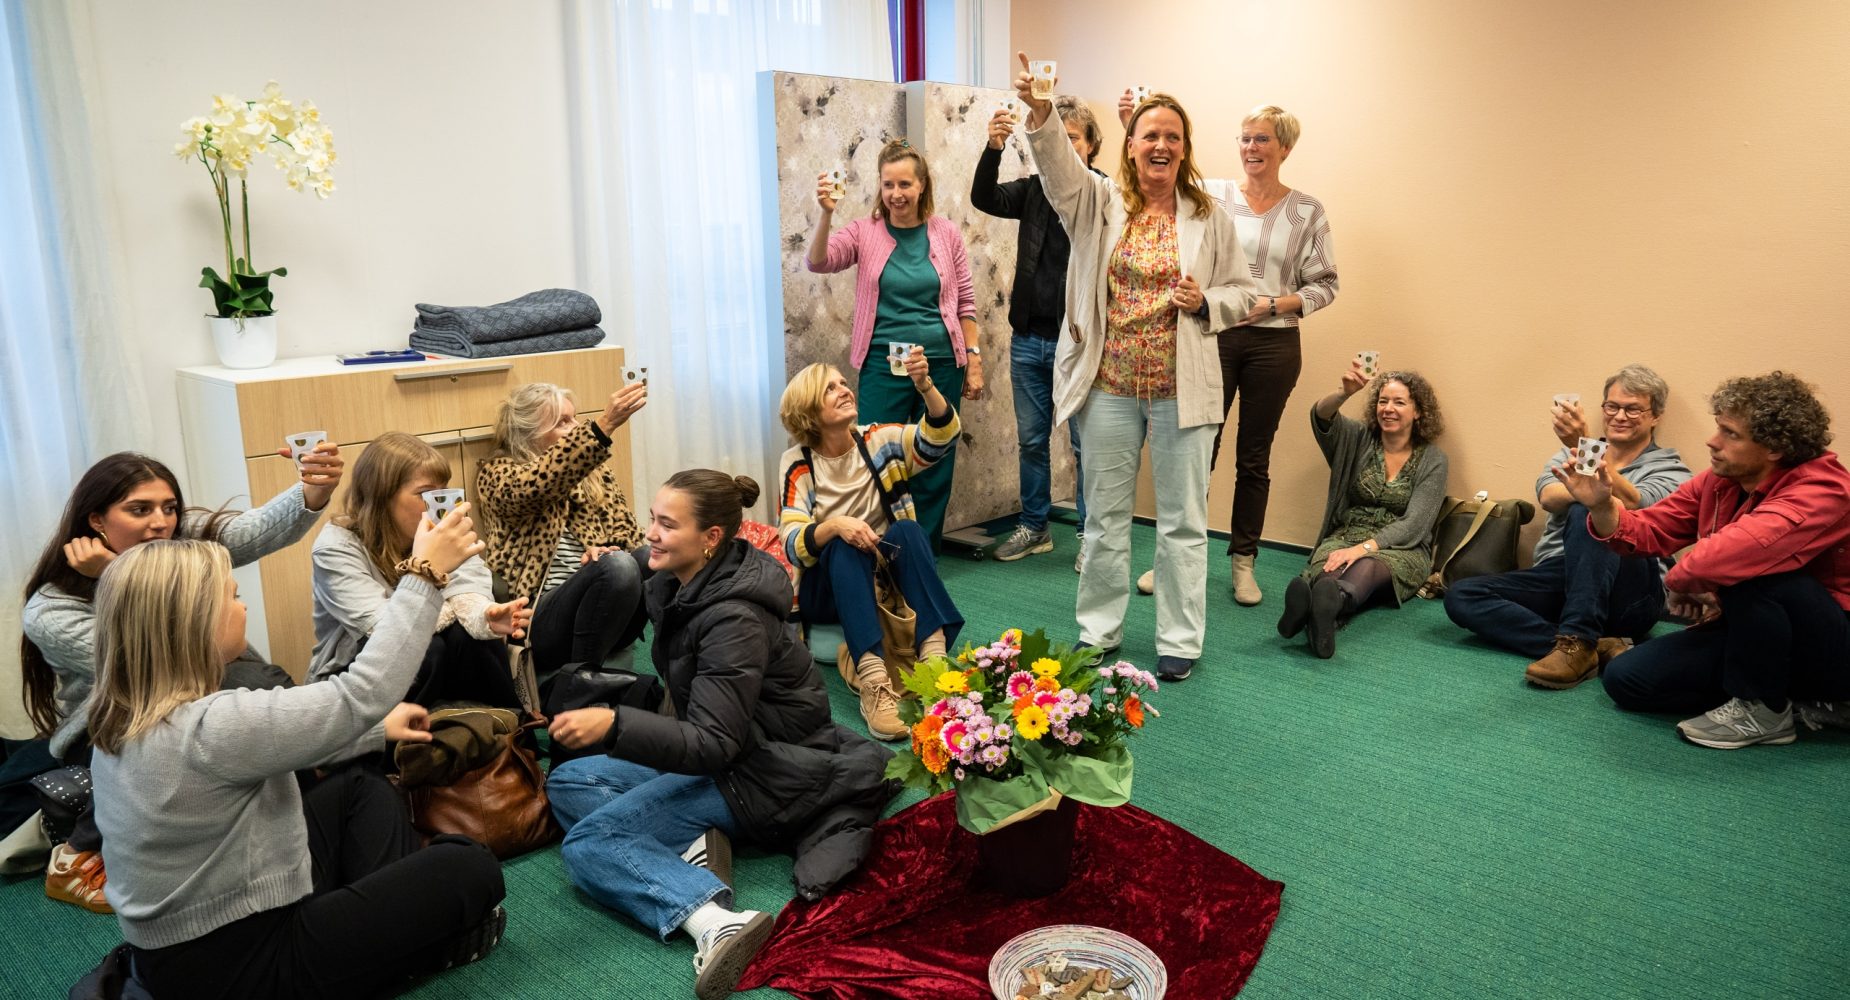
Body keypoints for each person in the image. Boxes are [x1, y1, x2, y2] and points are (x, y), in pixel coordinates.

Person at [86, 518, 507, 999]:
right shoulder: (211, 727)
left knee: (357, 791)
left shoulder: (122, 720)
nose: (242, 604)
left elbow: (283, 740)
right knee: (469, 864)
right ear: (193, 624)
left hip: (175, 957)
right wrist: (424, 573)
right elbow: (362, 692)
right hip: (242, 965)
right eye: (232, 595)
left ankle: (392, 936)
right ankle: (406, 945)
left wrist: (373, 731)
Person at [547, 471, 896, 1000]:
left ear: (711, 538)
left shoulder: (733, 616)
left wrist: (616, 725)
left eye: (667, 525)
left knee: (591, 843)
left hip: (766, 774)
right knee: (571, 779)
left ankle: (713, 920)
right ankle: (693, 846)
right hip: (735, 753)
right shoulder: (682, 582)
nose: (652, 534)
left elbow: (713, 743)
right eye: (653, 520)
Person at [1014, 53, 1256, 681]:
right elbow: (1058, 170)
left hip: (1183, 392)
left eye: (1173, 137)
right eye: (1151, 134)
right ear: (1130, 144)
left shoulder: (1210, 217)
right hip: (1110, 388)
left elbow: (1243, 292)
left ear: (1185, 149)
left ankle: (1179, 639)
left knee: (1183, 523)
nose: (1162, 144)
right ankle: (1099, 631)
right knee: (1104, 520)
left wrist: (1206, 299)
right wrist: (1040, 110)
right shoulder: (1096, 200)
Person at [20, 447, 342, 910]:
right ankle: (73, 858)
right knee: (255, 687)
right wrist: (118, 575)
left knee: (257, 689)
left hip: (205, 693)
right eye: (139, 509)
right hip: (112, 724)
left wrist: (313, 490)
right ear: (95, 520)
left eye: (169, 507)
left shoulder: (174, 542)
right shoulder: (50, 611)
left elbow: (252, 531)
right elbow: (158, 663)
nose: (161, 522)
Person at [1553, 372, 1850, 749]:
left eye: (1730, 433)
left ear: (1774, 447)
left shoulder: (1824, 488)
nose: (1713, 441)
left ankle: (1767, 709)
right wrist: (1600, 505)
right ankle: (1797, 697)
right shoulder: (1719, 480)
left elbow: (1739, 552)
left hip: (1831, 638)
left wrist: (1686, 580)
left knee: (1758, 575)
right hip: (1755, 631)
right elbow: (1650, 529)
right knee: (1627, 679)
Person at [1126, 102, 1339, 605]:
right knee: (1197, 450)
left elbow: (1325, 285)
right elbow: (1152, 189)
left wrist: (1272, 304)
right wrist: (1126, 126)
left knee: (1254, 458)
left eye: (1261, 139)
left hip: (1275, 343)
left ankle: (1243, 563)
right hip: (1211, 335)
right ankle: (1172, 558)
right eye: (1245, 139)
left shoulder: (1308, 210)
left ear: (1284, 147)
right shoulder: (1213, 196)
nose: (1250, 148)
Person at [1445, 365, 1691, 688]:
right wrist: (1586, 459)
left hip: (1632, 592)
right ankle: (1593, 648)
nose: (1619, 416)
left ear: (1655, 416)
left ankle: (1577, 636)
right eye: (1612, 407)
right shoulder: (1568, 452)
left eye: (1633, 409)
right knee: (1462, 595)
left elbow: (1635, 503)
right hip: (1565, 578)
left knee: (1591, 508)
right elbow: (1548, 496)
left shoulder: (1671, 469)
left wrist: (1590, 469)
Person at [806, 138, 984, 547]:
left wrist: (973, 359)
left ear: (922, 186)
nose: (896, 194)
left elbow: (967, 303)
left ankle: (923, 552)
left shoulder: (946, 233)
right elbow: (818, 261)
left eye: (905, 185)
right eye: (888, 185)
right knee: (877, 455)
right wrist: (825, 214)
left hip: (940, 361)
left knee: (937, 456)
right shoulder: (864, 232)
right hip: (882, 365)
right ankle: (883, 548)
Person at [776, 360, 965, 739]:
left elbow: (940, 439)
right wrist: (835, 526)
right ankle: (874, 684)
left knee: (909, 531)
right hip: (828, 588)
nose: (845, 390)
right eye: (831, 388)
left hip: (887, 577)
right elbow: (793, 546)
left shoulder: (879, 439)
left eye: (844, 383)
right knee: (843, 548)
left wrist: (925, 386)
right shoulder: (798, 463)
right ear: (809, 409)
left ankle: (935, 667)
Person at [971, 95, 1104, 567]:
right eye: (1056, 142)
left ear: (1091, 147)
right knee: (1032, 441)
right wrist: (992, 148)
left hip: (1083, 344)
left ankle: (1092, 534)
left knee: (1086, 446)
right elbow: (983, 198)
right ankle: (1035, 526)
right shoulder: (1032, 190)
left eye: (1072, 142)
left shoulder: (1101, 194)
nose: (1063, 152)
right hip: (1028, 339)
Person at [309, 432, 531, 708]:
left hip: (423, 650)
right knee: (428, 648)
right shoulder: (334, 548)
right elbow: (386, 629)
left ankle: (508, 734)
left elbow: (467, 588)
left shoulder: (440, 528)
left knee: (475, 637)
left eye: (443, 491)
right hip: (355, 672)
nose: (439, 506)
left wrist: (485, 615)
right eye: (425, 494)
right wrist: (446, 590)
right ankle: (408, 747)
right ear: (381, 498)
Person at [475, 381, 651, 687]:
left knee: (651, 558)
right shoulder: (497, 473)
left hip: (604, 600)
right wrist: (604, 425)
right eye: (562, 423)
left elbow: (628, 536)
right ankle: (580, 688)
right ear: (529, 435)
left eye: (575, 418)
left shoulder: (595, 473)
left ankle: (684, 672)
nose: (576, 428)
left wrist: (607, 550)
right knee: (619, 567)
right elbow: (537, 485)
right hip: (539, 618)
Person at [1279, 363, 1449, 659]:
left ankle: (1321, 610)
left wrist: (1362, 549)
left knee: (1367, 566)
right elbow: (1321, 417)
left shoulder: (1433, 459)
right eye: (1383, 401)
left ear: (1418, 411)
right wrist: (1344, 393)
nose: (1388, 409)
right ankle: (1322, 613)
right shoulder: (1357, 438)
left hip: (1402, 547)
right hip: (1346, 533)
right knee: (1331, 564)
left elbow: (1415, 524)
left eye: (1399, 402)